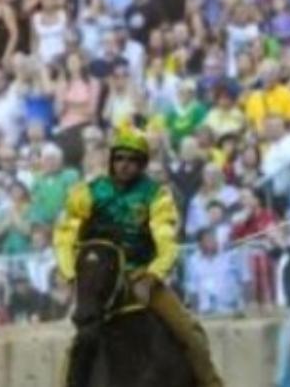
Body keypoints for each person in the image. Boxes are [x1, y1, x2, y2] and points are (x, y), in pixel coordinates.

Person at [54, 126, 223, 387]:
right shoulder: (88, 192)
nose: (125, 165)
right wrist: (69, 275)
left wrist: (151, 277)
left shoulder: (156, 195)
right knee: (78, 345)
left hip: (141, 279)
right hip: (100, 283)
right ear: (111, 160)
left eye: (133, 160)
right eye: (120, 158)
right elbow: (65, 235)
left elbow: (167, 242)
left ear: (142, 164)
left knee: (191, 334)